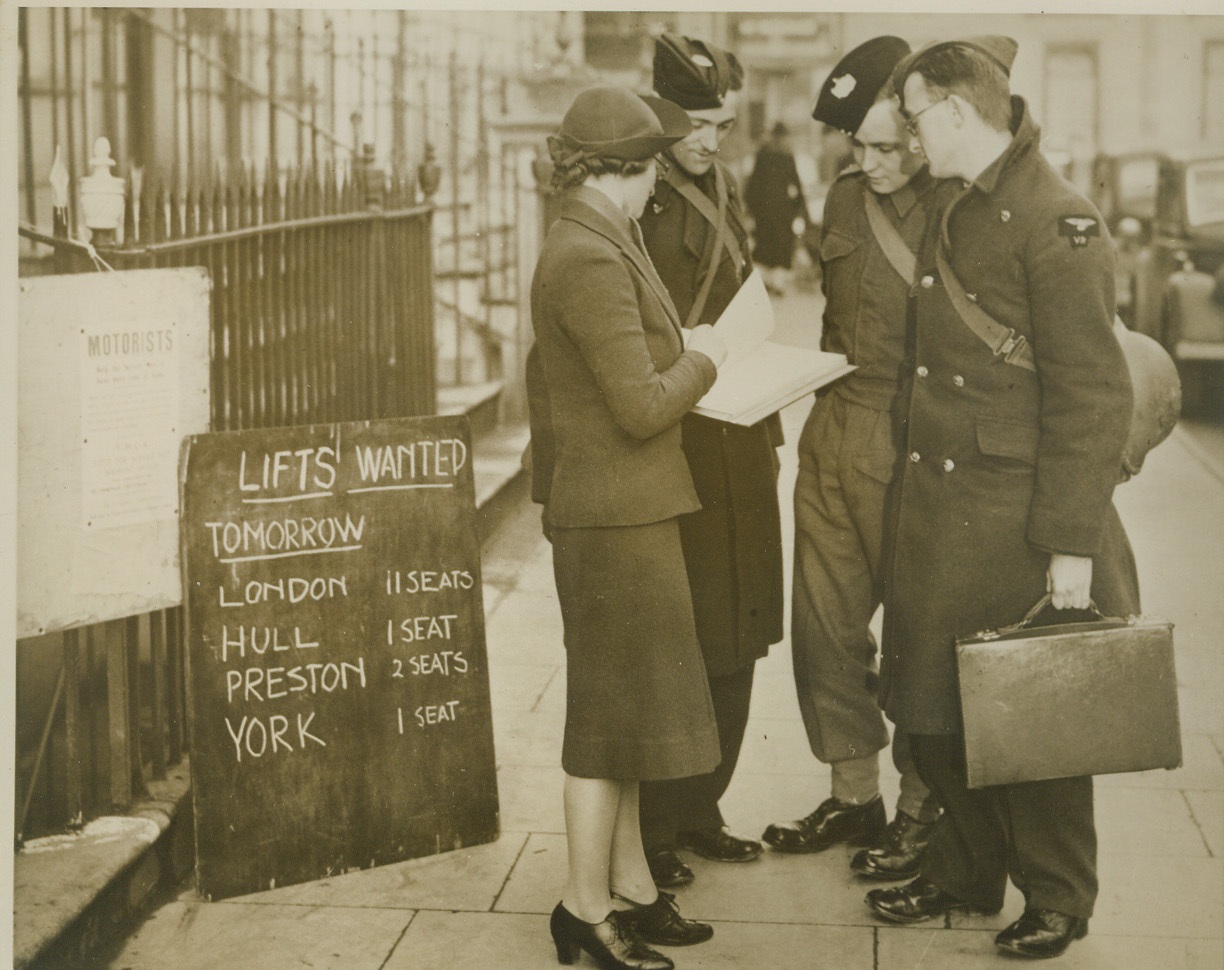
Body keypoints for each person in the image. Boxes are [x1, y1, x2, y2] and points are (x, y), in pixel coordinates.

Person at [864, 37, 1141, 961]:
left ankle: (1060, 898)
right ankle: (967, 869)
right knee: (938, 708)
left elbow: (1093, 393)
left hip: (1022, 520)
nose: (906, 135)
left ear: (951, 111)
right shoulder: (957, 199)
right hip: (947, 509)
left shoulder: (1058, 219)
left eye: (911, 117)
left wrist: (1070, 544)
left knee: (1035, 718)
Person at [527, 85, 731, 970]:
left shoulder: (600, 237)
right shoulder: (587, 256)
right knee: (605, 725)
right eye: (652, 169)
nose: (659, 188)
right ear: (626, 169)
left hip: (630, 510)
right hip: (615, 517)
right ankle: (582, 909)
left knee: (634, 715)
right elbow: (642, 404)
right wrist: (708, 360)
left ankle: (634, 887)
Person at [761, 36, 941, 882]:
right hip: (834, 427)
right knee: (826, 630)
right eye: (855, 147)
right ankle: (854, 793)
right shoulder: (841, 201)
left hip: (914, 442)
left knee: (916, 635)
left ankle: (920, 809)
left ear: (920, 132)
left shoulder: (953, 205)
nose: (865, 162)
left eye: (882, 147)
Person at [636, 31, 785, 889]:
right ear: (659, 112)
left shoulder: (726, 185)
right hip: (679, 440)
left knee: (741, 626)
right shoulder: (640, 194)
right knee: (680, 635)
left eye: (721, 125)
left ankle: (704, 807)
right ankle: (656, 826)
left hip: (741, 435)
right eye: (693, 123)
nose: (708, 141)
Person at [744, 122, 807, 296]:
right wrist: (797, 207)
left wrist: (752, 208)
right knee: (781, 246)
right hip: (782, 211)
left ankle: (765, 282)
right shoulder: (787, 157)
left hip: (763, 210)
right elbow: (796, 185)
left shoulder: (762, 155)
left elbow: (752, 185)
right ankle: (777, 283)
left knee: (764, 245)